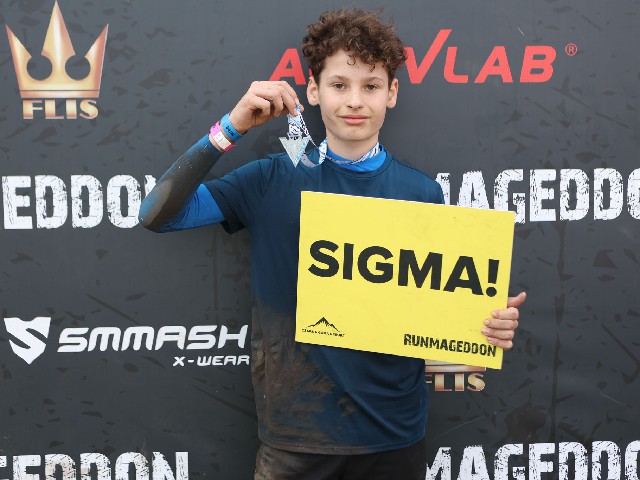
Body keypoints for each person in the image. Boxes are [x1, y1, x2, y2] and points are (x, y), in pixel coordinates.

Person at [139, 8, 526, 480]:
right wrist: (230, 128)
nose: (354, 101)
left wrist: (482, 323)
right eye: (339, 85)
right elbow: (156, 215)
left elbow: (431, 312)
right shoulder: (270, 179)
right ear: (313, 91)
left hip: (393, 437)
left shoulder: (421, 193)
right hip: (296, 439)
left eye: (371, 85)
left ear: (392, 93)